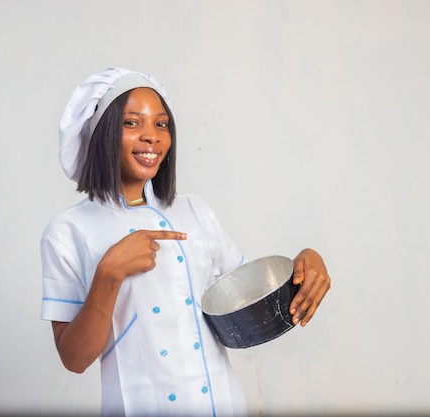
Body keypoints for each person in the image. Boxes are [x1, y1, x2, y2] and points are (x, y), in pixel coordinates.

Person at [40, 67, 331, 416]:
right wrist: (109, 274)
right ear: (103, 134)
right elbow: (74, 359)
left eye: (161, 124)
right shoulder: (67, 231)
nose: (152, 137)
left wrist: (301, 267)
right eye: (132, 123)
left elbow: (245, 304)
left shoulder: (195, 211)